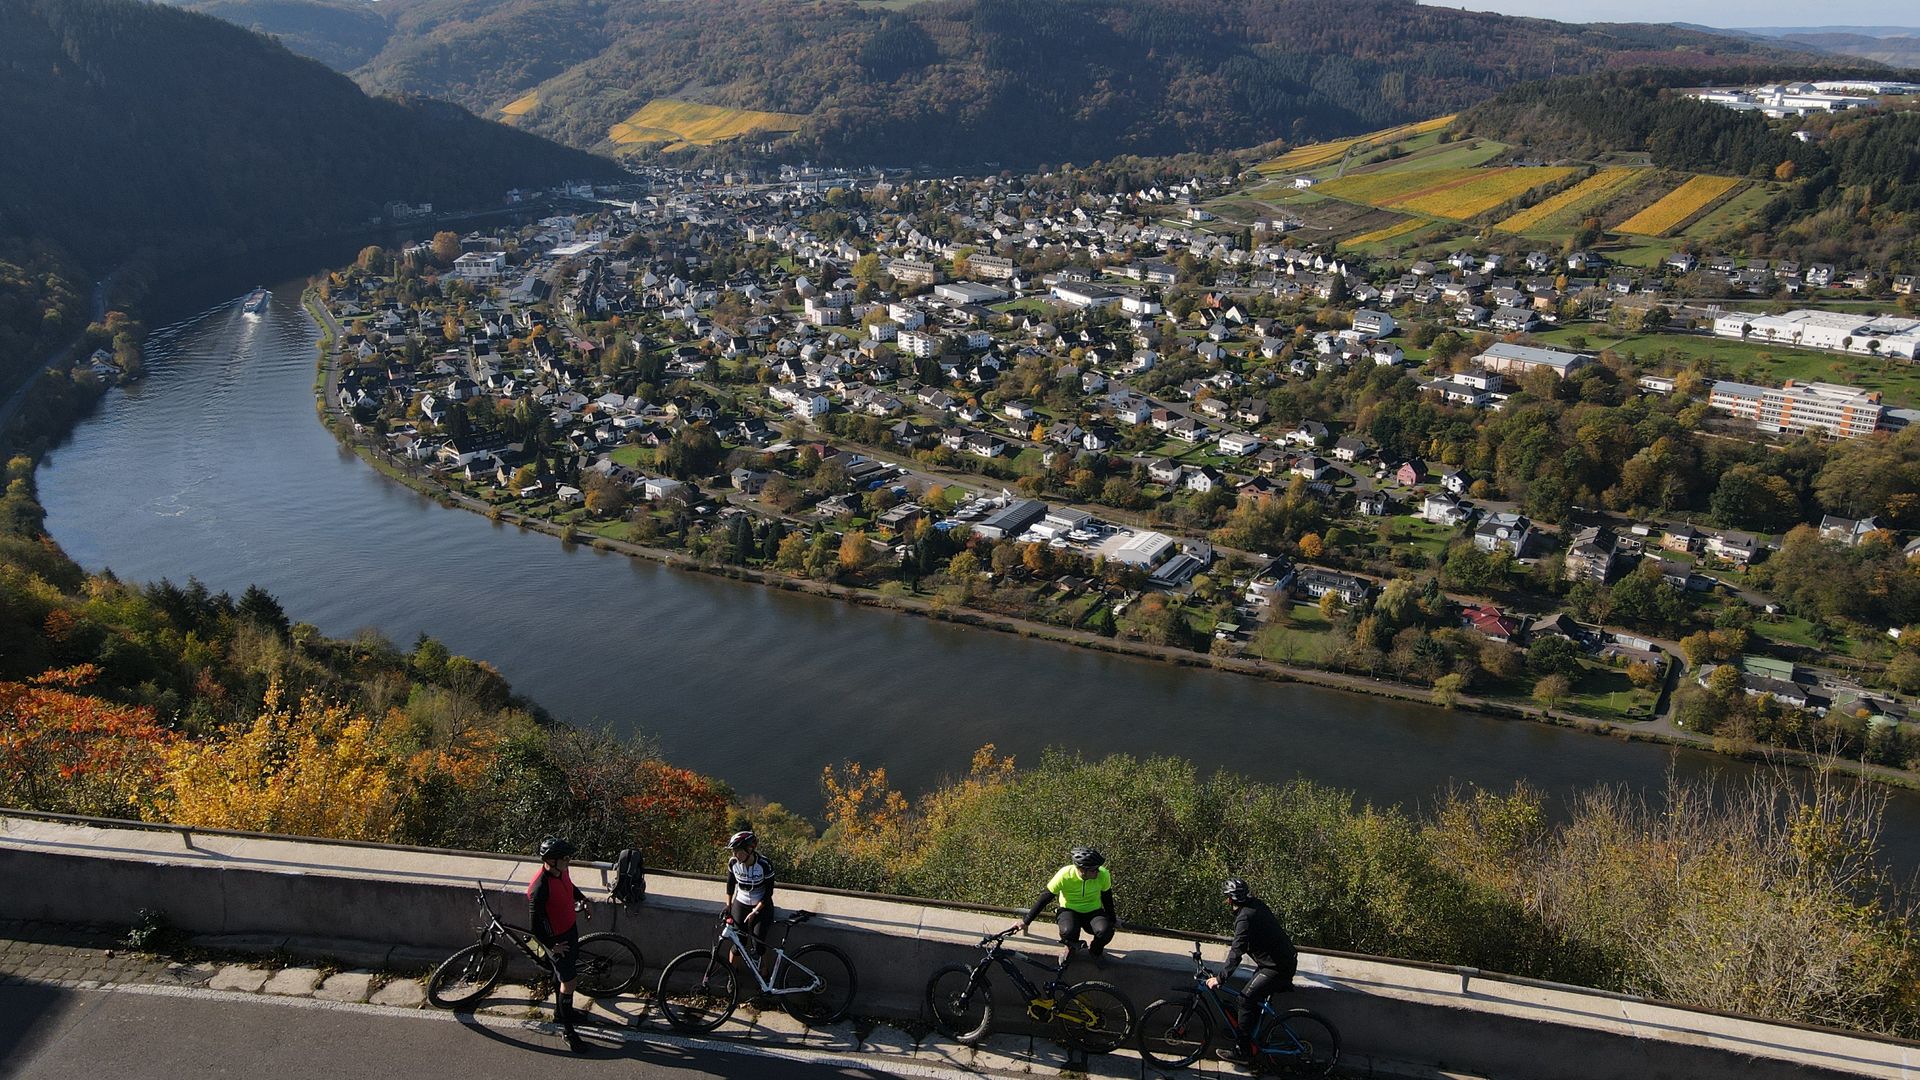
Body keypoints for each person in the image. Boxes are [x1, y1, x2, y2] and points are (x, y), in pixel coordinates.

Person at [1207, 878, 1297, 1065]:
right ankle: (1246, 1036)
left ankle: (1244, 1053)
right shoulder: (1256, 905)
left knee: (1245, 1000)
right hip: (1277, 961)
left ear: (1231, 900)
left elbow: (1236, 951)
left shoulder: (1244, 918)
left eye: (1227, 898)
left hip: (1277, 967)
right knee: (1250, 1000)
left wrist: (1220, 978)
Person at [527, 836, 585, 1052]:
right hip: (558, 939)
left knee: (559, 976)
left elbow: (569, 887)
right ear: (551, 860)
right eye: (565, 858)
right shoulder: (539, 888)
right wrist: (552, 946)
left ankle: (562, 1012)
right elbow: (535, 927)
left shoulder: (561, 871)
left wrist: (582, 898)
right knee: (569, 982)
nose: (569, 861)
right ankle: (568, 1030)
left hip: (569, 930)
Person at [1018, 845, 1116, 966]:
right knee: (1067, 931)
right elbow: (1044, 898)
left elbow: (1107, 899)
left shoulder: (1103, 874)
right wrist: (1026, 921)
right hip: (1069, 910)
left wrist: (1112, 920)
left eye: (1098, 868)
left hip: (1093, 911)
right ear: (1081, 870)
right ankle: (1071, 948)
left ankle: (1095, 951)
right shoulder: (1064, 875)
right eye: (1093, 870)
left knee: (1106, 931)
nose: (1097, 872)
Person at [722, 829, 775, 965]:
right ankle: (732, 976)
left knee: (758, 944)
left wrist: (756, 911)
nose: (735, 855)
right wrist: (728, 905)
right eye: (733, 851)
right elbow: (730, 885)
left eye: (738, 851)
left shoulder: (764, 864)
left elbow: (768, 893)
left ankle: (764, 975)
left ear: (750, 849)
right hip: (741, 902)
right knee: (738, 943)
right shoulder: (733, 863)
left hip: (762, 905)